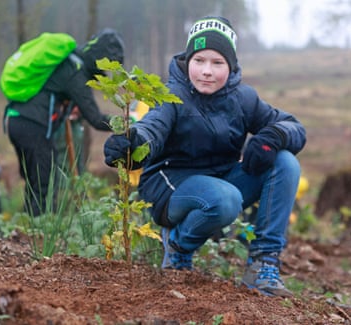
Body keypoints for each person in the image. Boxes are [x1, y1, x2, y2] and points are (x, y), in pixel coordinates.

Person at [103, 16, 306, 297]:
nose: (206, 71)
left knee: (285, 162)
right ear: (188, 62)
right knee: (226, 199)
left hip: (220, 182)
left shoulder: (244, 99)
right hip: (171, 187)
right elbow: (153, 127)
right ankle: (177, 248)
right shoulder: (170, 95)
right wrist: (134, 143)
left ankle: (263, 263)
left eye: (217, 63)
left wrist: (274, 137)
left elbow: (293, 126)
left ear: (231, 66)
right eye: (199, 61)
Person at [6, 28, 124, 217]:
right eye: (104, 68)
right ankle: (40, 234)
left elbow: (81, 109)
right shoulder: (76, 73)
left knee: (35, 181)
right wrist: (125, 122)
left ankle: (29, 231)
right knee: (45, 182)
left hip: (15, 120)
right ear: (99, 59)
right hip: (32, 125)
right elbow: (95, 118)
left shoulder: (68, 63)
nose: (103, 73)